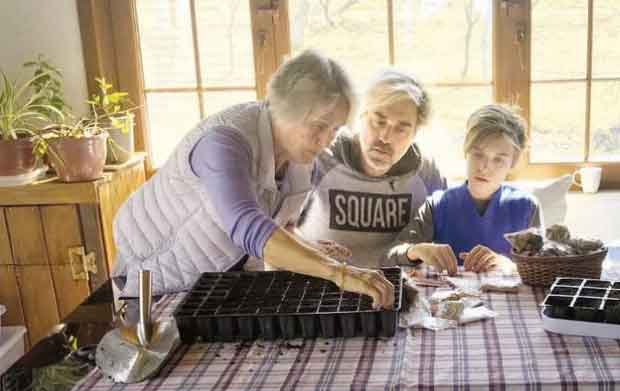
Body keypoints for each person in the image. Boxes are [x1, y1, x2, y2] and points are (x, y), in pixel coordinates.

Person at [112, 50, 393, 308]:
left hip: (214, 285)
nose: (326, 141)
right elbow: (247, 226)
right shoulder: (225, 141)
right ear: (285, 108)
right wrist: (339, 273)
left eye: (335, 129)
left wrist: (311, 250)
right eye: (319, 126)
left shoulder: (303, 158)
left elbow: (280, 228)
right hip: (153, 282)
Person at [296, 69, 446, 268]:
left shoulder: (427, 173)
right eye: (378, 121)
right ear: (360, 116)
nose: (385, 136)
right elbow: (274, 234)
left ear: (415, 133)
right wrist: (309, 250)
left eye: (401, 128)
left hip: (400, 292)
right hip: (322, 288)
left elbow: (447, 234)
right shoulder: (319, 159)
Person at [383, 104, 542, 275]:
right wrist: (417, 250)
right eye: (478, 154)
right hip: (451, 300)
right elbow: (391, 255)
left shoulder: (527, 207)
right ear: (466, 150)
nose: (485, 167)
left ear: (513, 162)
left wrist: (508, 266)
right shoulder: (437, 205)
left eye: (498, 160)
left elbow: (544, 267)